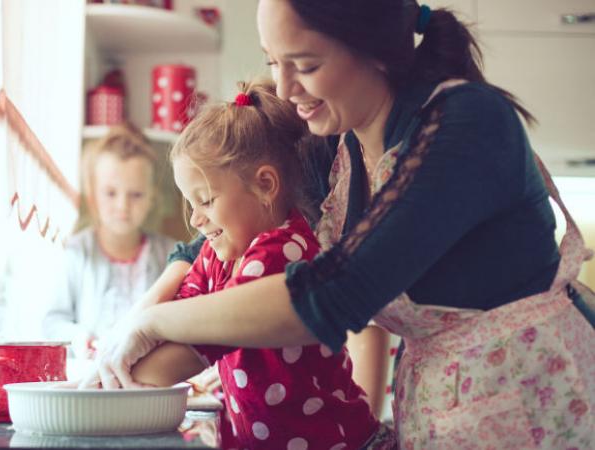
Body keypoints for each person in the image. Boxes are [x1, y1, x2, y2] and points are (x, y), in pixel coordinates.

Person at [89, 1, 595, 448]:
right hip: (446, 406)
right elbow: (209, 236)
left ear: (373, 51)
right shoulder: (337, 139)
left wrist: (153, 323)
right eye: (273, 62)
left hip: (534, 400)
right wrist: (139, 317)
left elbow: (331, 296)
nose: (286, 89)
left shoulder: (467, 123)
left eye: (305, 65)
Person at [117, 80, 391, 449]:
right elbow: (183, 307)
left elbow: (201, 340)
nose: (196, 220)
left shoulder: (282, 251)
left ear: (265, 185)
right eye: (191, 204)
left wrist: (114, 379)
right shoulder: (219, 251)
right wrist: (124, 353)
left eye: (207, 201)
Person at [42, 124, 175, 359]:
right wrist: (79, 338)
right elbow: (53, 320)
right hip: (90, 376)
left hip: (151, 377)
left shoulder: (171, 255)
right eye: (111, 193)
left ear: (151, 198)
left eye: (136, 195)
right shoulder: (76, 251)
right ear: (92, 195)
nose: (122, 206)